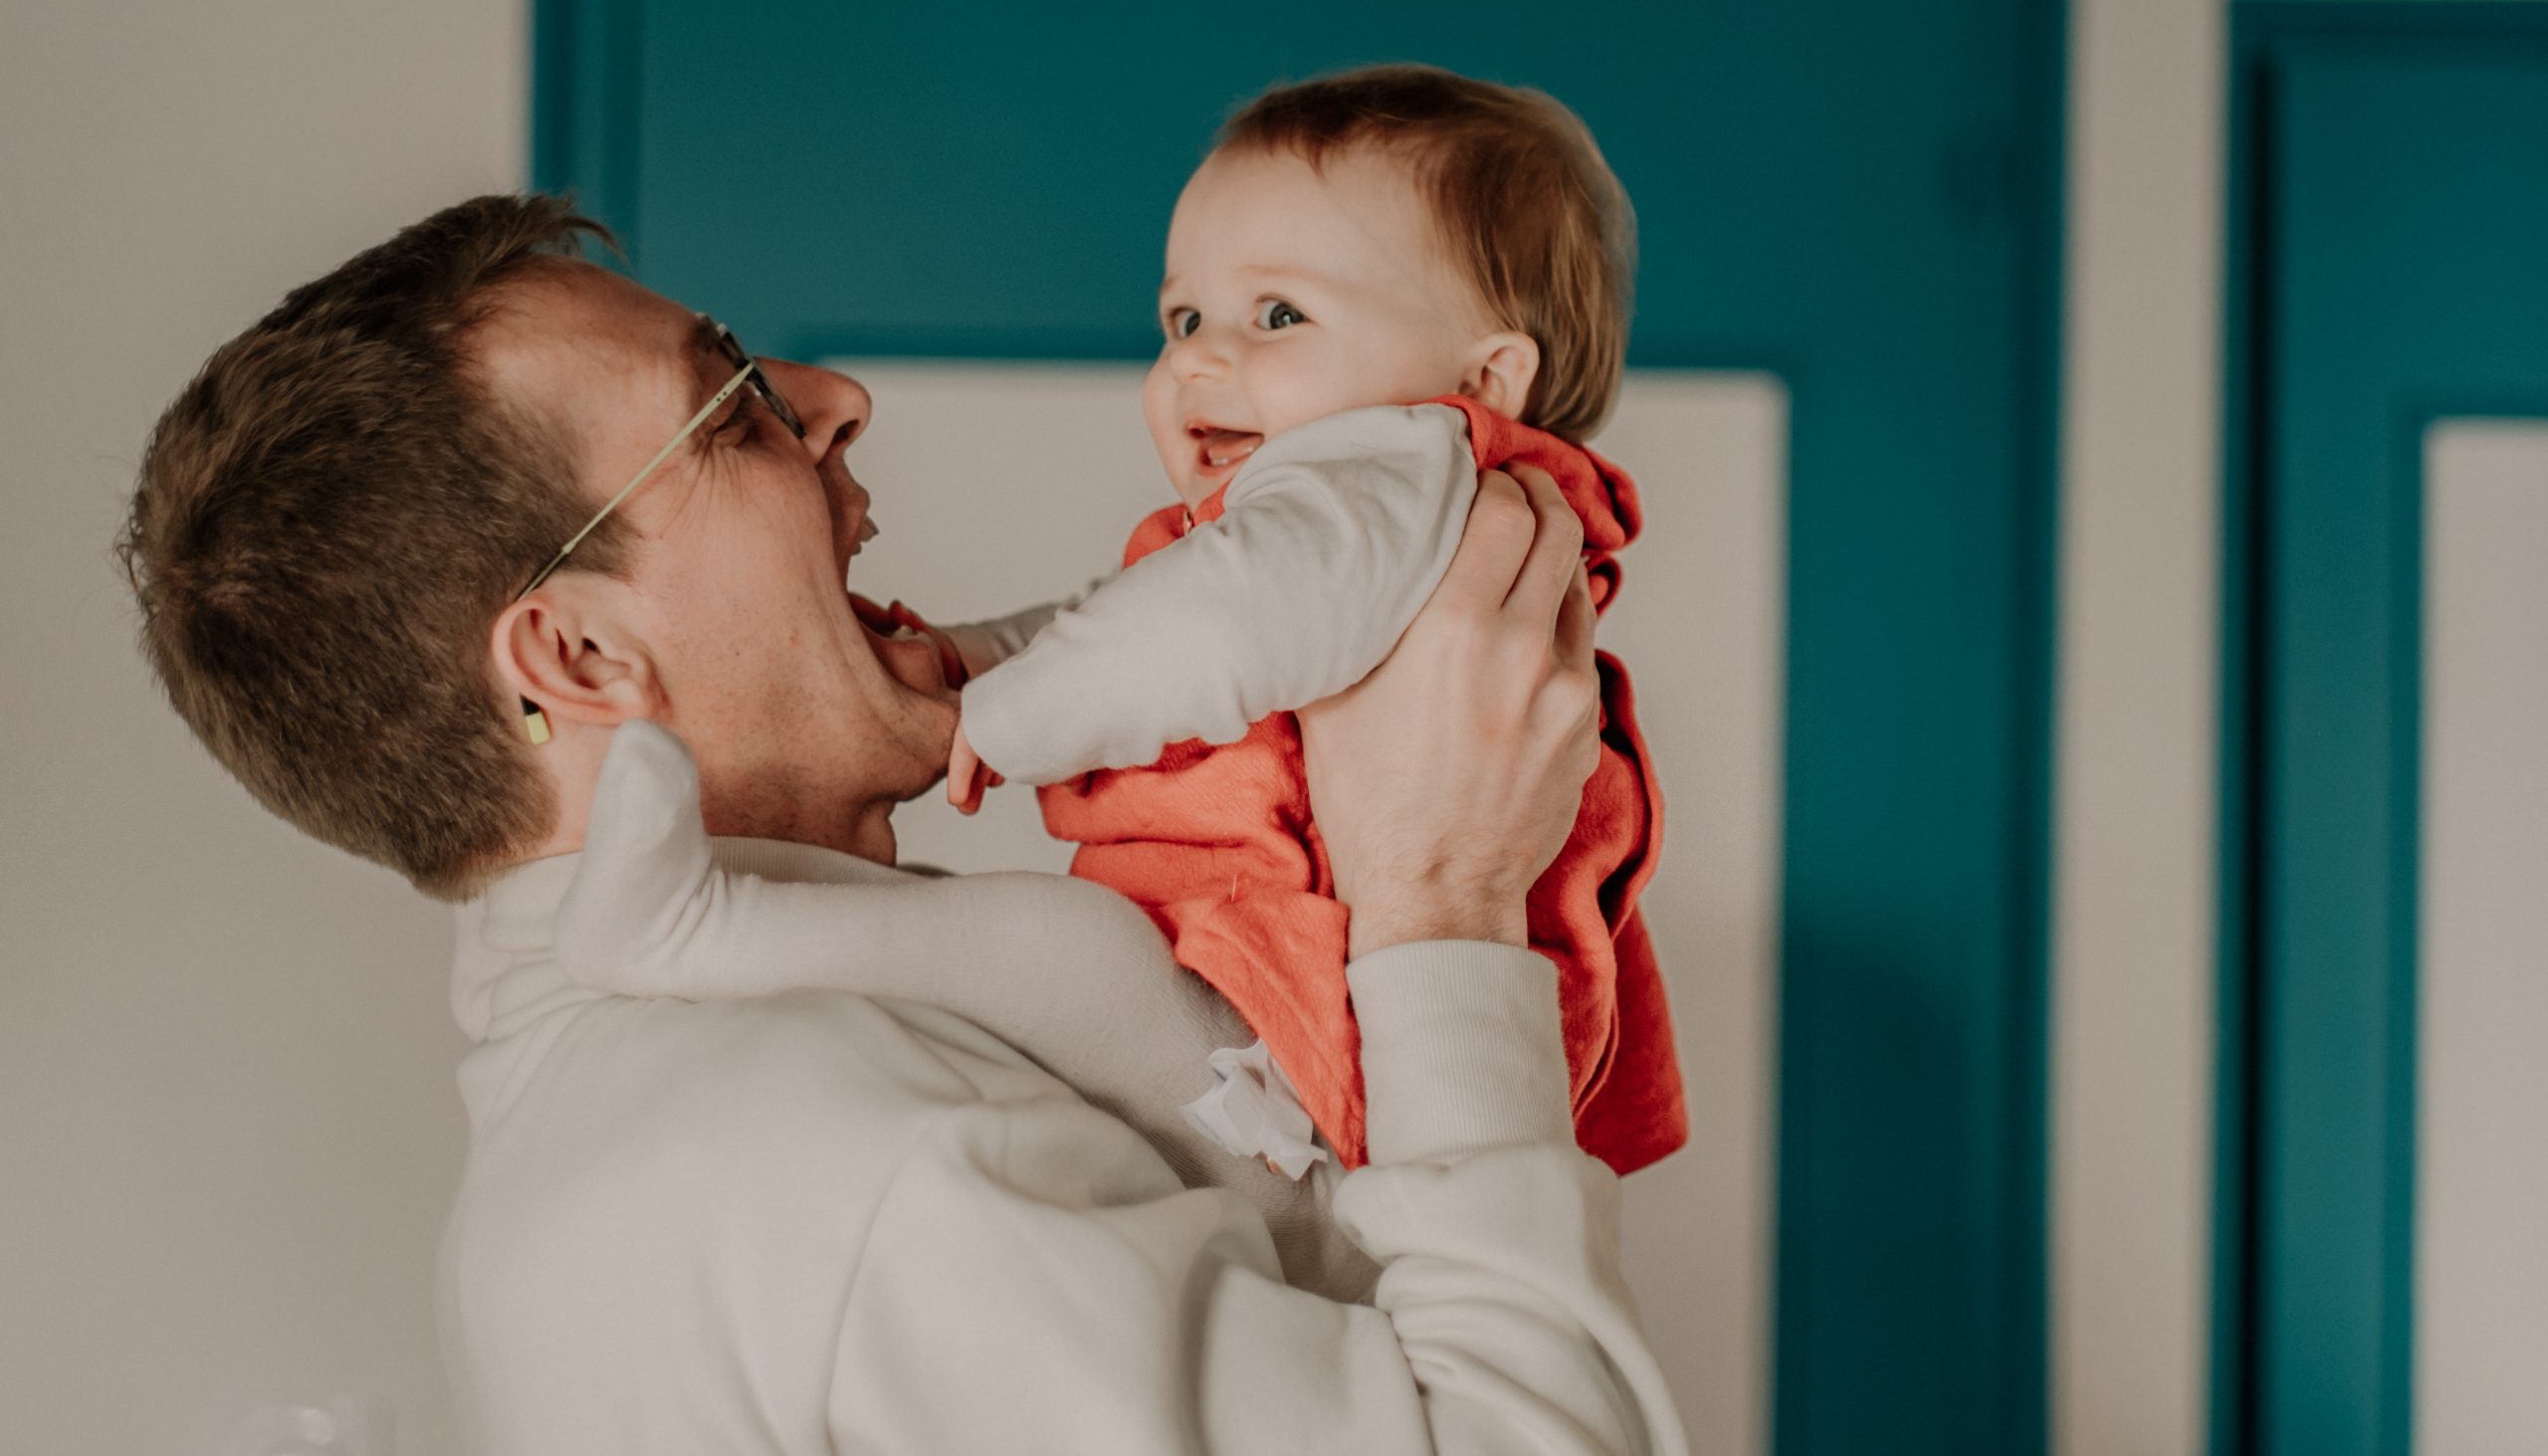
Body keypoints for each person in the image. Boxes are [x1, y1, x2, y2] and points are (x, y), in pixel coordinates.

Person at [119, 194, 1689, 1453]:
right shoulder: (842, 1156)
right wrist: (1445, 902)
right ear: (580, 658)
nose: (833, 400)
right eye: (731, 405)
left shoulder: (654, 1108)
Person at [564, 66, 1689, 1185]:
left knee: (1055, 950)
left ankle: (703, 934)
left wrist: (1008, 719)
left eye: (1279, 315)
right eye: (1182, 315)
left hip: (1325, 1007)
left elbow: (1216, 630)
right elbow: (1142, 616)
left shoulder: (1396, 469)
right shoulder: (1346, 523)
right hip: (1321, 1002)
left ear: (1482, 377)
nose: (1198, 357)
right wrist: (973, 661)